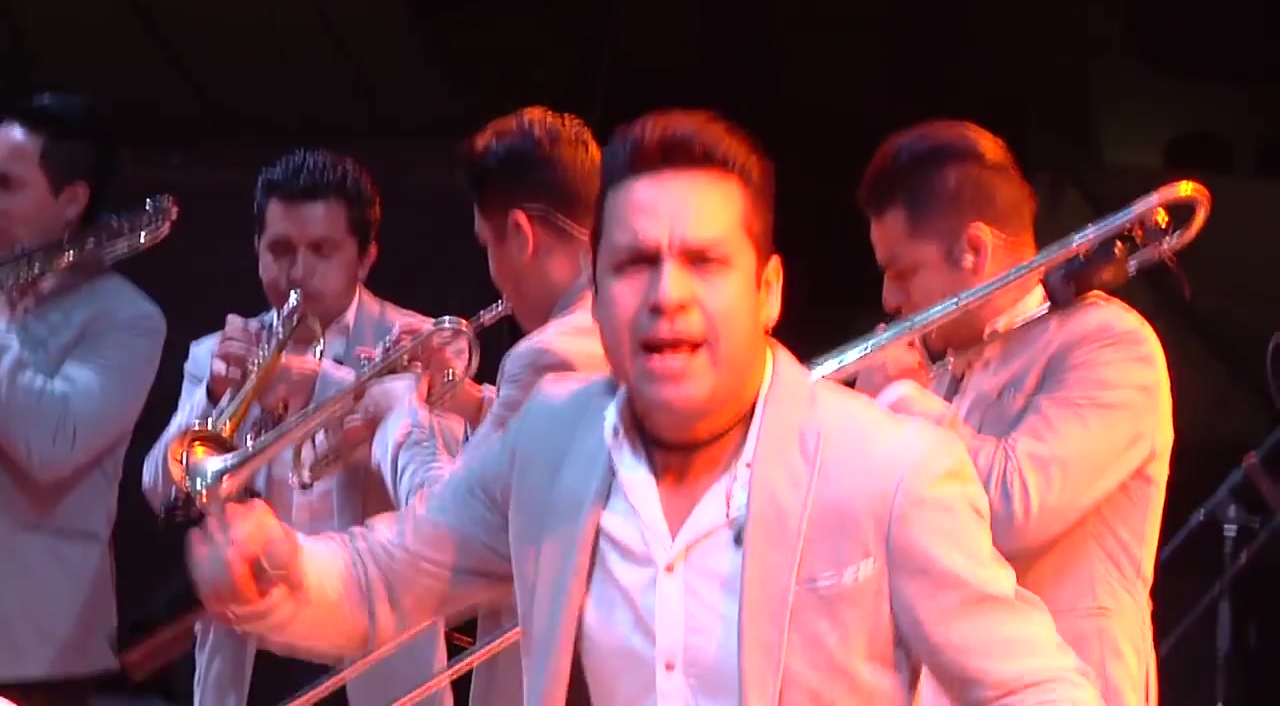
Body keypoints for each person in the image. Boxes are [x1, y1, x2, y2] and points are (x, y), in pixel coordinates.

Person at [185, 109, 1104, 704]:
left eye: (703, 262)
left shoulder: (892, 469)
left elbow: (1033, 685)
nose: (667, 297)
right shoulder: (550, 445)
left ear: (769, 291)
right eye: (633, 264)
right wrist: (282, 569)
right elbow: (390, 577)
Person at [853, 119, 1173, 705]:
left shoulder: (1109, 344)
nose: (889, 300)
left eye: (902, 272)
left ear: (973, 250)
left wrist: (897, 396)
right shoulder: (942, 375)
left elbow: (1010, 510)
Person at [140, 148, 460, 706]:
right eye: (281, 250)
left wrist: (319, 384)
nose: (298, 272)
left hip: (372, 654)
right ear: (257, 249)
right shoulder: (218, 352)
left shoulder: (421, 343)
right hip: (253, 653)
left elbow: (452, 494)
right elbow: (159, 488)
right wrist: (214, 395)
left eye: (322, 251)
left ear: (366, 258)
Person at [353, 105, 608, 706]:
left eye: (488, 245)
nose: (494, 275)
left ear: (519, 234)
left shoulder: (547, 353)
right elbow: (549, 455)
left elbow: (448, 531)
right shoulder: (620, 325)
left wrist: (399, 415)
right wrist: (464, 399)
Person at [0, 92, 167, 706]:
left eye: (5, 185)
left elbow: (53, 442)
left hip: (34, 650)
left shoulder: (126, 318)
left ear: (71, 200)